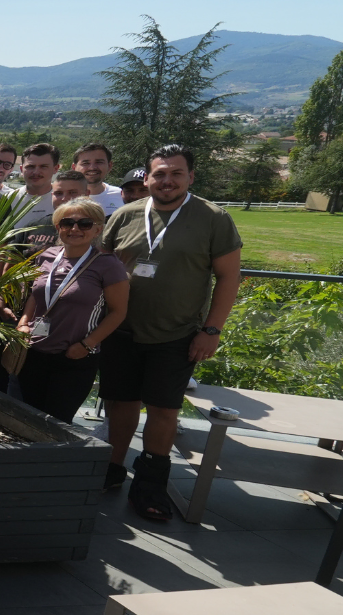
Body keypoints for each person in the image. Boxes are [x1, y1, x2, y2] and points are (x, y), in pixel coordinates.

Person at [99, 145, 242, 521]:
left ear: (191, 177)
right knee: (121, 405)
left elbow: (228, 277)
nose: (167, 181)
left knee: (163, 411)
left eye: (176, 173)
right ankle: (112, 470)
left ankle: (150, 485)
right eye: (159, 173)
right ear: (146, 178)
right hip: (120, 329)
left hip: (176, 333)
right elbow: (101, 266)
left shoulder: (213, 218)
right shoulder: (126, 215)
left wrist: (212, 330)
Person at [16, 198, 128, 424]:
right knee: (28, 419)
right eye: (67, 223)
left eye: (84, 223)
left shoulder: (107, 264)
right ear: (58, 227)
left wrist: (87, 345)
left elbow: (118, 312)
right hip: (34, 353)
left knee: (57, 423)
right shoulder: (46, 256)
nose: (75, 229)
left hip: (74, 357)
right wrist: (23, 323)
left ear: (98, 229)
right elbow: (35, 296)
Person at [9, 142, 60, 228]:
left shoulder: (65, 199)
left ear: (55, 169)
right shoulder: (9, 200)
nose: (36, 172)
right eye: (30, 167)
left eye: (43, 167)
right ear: (21, 169)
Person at [74, 142, 123, 215]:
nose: (92, 167)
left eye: (99, 162)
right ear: (74, 167)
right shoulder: (62, 196)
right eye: (85, 163)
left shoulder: (121, 195)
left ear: (109, 166)